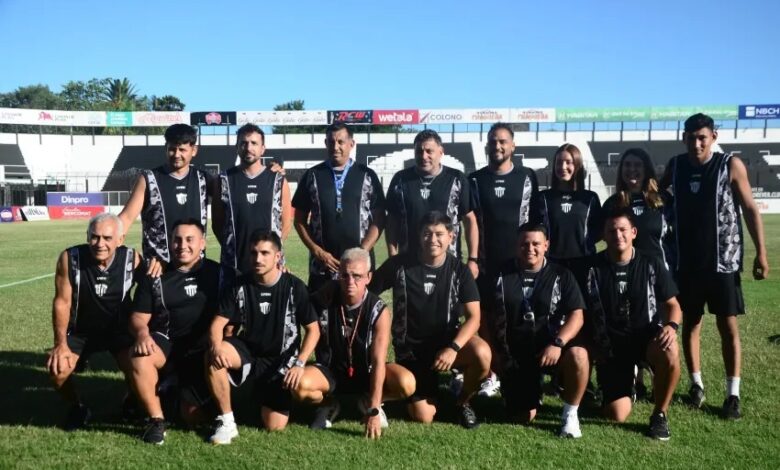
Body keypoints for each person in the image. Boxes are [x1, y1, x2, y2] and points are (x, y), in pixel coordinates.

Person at [661, 113, 769, 419]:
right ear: (683, 138)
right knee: (691, 324)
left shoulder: (729, 165)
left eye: (702, 138)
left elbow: (750, 208)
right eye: (691, 138)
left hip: (723, 262)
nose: (696, 144)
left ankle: (733, 394)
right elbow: (655, 190)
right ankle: (696, 384)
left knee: (727, 325)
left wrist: (761, 253)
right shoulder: (676, 166)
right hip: (686, 262)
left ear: (714, 137)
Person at [370, 211, 491, 429]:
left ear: (451, 237)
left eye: (439, 234)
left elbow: (474, 318)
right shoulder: (399, 265)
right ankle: (388, 378)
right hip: (412, 350)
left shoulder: (460, 271)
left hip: (447, 346)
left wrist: (453, 348)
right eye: (427, 234)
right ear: (419, 236)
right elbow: (368, 293)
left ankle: (463, 402)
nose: (432, 239)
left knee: (482, 353)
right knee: (423, 415)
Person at [205, 231, 320, 444]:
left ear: (278, 257)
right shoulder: (239, 285)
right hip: (248, 353)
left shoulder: (294, 287)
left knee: (274, 425)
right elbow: (217, 324)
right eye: (253, 253)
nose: (258, 259)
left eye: (265, 253)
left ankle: (317, 401)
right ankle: (227, 421)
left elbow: (314, 330)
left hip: (280, 360)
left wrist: (300, 363)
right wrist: (216, 347)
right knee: (213, 356)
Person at [294, 248, 415, 439]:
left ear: (368, 277)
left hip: (366, 373)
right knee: (299, 386)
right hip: (330, 372)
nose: (350, 282)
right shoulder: (326, 297)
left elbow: (378, 361)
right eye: (345, 275)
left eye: (357, 276)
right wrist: (285, 278)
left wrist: (374, 409)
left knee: (406, 383)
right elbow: (300, 305)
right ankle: (328, 404)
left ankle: (369, 401)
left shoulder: (379, 311)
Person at [584, 209, 681, 440]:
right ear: (604, 235)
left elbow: (673, 304)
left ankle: (660, 414)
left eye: (623, 230)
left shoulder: (651, 262)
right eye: (612, 231)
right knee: (616, 415)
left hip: (646, 339)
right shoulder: (592, 267)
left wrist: (671, 326)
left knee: (669, 351)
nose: (618, 235)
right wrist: (592, 345)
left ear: (634, 232)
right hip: (612, 346)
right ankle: (627, 386)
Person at [127, 219, 221, 444]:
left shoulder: (219, 274)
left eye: (190, 240)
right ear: (169, 242)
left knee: (192, 416)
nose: (182, 245)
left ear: (202, 243)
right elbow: (138, 317)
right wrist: (142, 334)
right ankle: (156, 421)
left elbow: (252, 284)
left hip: (202, 351)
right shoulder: (156, 274)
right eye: (177, 240)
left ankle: (170, 391)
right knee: (140, 356)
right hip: (167, 345)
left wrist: (281, 270)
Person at [491, 223, 589, 437]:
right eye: (524, 244)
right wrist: (495, 352)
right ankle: (533, 386)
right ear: (516, 245)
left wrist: (557, 343)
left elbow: (577, 315)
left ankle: (570, 414)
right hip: (515, 352)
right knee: (522, 416)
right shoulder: (500, 273)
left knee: (579, 355)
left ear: (546, 245)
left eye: (536, 244)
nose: (530, 248)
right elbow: (484, 313)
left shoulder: (562, 274)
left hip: (551, 349)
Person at [46, 213, 141, 429]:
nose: (100, 244)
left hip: (118, 331)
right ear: (87, 236)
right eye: (95, 237)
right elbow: (62, 302)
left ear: (120, 239)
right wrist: (60, 344)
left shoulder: (132, 259)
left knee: (140, 367)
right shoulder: (70, 258)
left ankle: (131, 400)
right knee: (58, 371)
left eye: (107, 238)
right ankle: (78, 406)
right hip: (80, 331)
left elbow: (148, 295)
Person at [469, 122, 539, 397]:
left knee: (517, 318)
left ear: (513, 145)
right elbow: (469, 221)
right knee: (486, 319)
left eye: (502, 141)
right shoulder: (475, 179)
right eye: (492, 141)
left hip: (518, 265)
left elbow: (535, 220)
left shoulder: (527, 177)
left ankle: (521, 369)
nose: (497, 146)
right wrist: (473, 258)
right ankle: (491, 374)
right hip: (486, 263)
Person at [292, 122, 386, 292]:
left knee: (359, 307)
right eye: (331, 142)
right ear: (325, 143)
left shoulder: (367, 175)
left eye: (341, 142)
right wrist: (317, 251)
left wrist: (361, 251)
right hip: (322, 266)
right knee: (321, 307)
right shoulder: (312, 175)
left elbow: (379, 219)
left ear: (351, 143)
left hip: (359, 265)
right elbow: (299, 220)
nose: (336, 147)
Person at [385, 129, 479, 279]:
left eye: (429, 151)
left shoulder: (457, 179)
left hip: (448, 264)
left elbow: (470, 220)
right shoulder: (400, 180)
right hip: (408, 264)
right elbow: (392, 221)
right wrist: (393, 256)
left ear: (441, 152)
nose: (424, 156)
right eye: (419, 151)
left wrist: (473, 259)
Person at [118, 123, 213, 267]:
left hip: (195, 267)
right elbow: (126, 218)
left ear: (194, 150)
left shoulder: (204, 179)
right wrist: (115, 249)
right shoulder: (148, 179)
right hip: (159, 268)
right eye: (172, 149)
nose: (177, 155)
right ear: (166, 148)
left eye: (182, 150)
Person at [212, 124, 292, 275]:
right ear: (237, 147)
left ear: (263, 148)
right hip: (234, 265)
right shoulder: (223, 180)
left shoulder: (278, 180)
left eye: (254, 143)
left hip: (270, 266)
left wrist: (271, 250)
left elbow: (286, 223)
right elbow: (217, 224)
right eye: (244, 143)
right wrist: (231, 247)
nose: (248, 148)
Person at [533, 143, 602, 268]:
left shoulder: (590, 198)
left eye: (568, 162)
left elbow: (604, 238)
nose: (563, 167)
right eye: (559, 162)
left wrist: (593, 251)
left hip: (584, 265)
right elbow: (534, 232)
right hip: (551, 265)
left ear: (578, 165)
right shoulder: (544, 197)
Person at [602, 148, 673, 268]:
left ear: (646, 169)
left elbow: (676, 237)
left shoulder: (663, 200)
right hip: (625, 272)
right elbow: (602, 241)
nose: (632, 169)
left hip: (658, 271)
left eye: (638, 165)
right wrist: (592, 249)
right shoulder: (612, 203)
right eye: (627, 165)